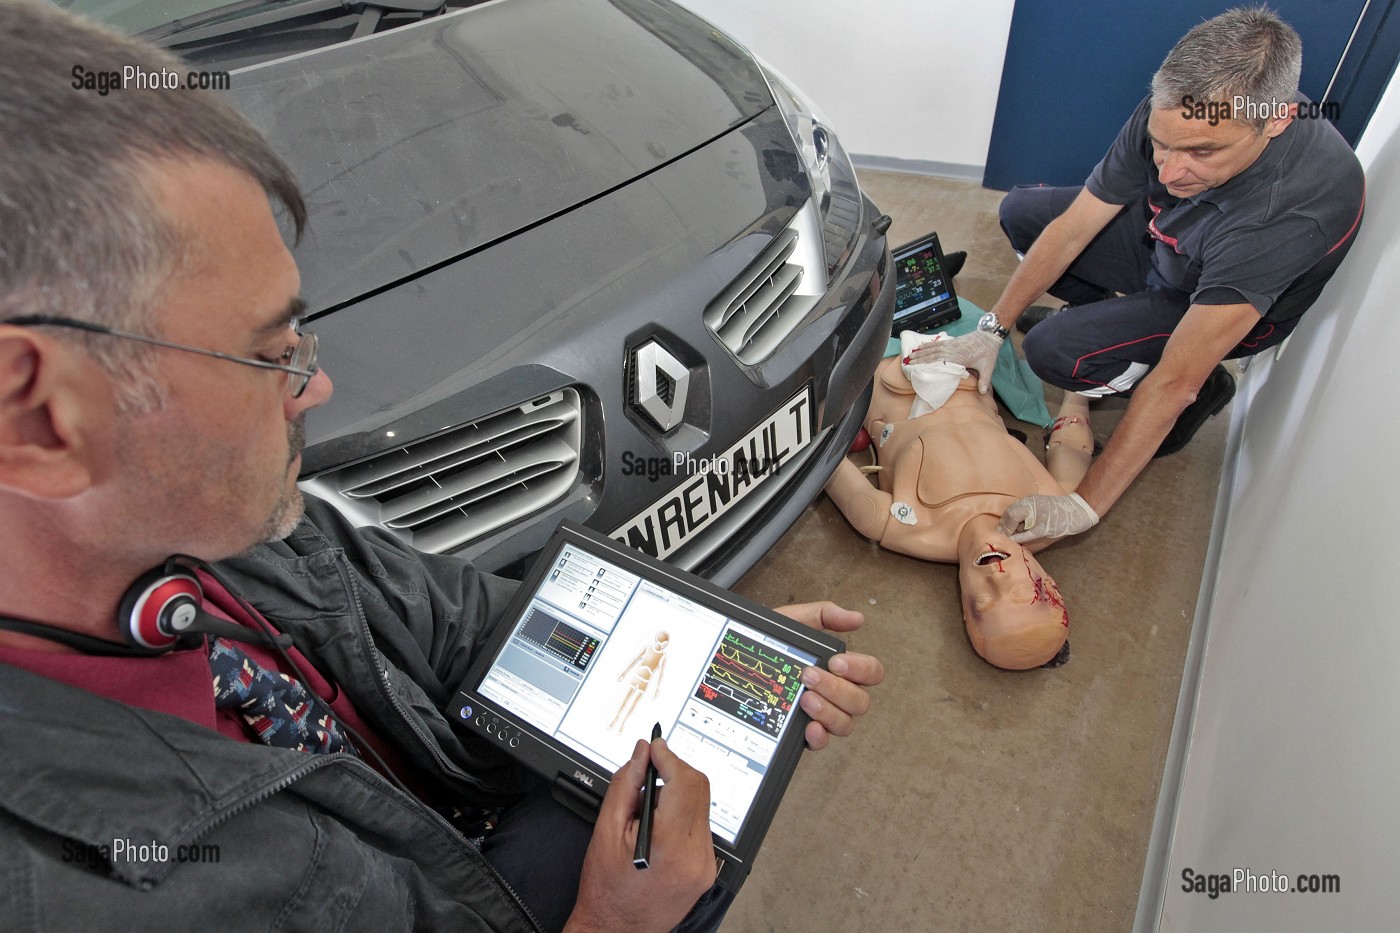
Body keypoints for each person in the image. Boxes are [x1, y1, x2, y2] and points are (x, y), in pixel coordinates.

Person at [0, 2, 884, 930]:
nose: (316, 385)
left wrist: (695, 659)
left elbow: (446, 614)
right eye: (268, 355)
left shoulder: (201, 524)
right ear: (41, 415)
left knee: (703, 807)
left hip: (442, 825)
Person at [918, 7, 1364, 551]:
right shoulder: (1186, 109)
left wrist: (1083, 506)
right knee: (1022, 213)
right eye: (1161, 144)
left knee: (1055, 353)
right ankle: (1109, 323)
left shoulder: (1288, 213)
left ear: (1274, 122)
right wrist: (990, 330)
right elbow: (1072, 230)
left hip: (1215, 302)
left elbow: (1176, 381)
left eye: (1203, 152)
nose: (1171, 170)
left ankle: (1178, 374)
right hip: (1172, 242)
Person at [825, 343, 1094, 670]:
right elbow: (1073, 440)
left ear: (966, 610)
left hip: (871, 357)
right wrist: (1081, 389)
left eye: (984, 602)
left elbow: (820, 459)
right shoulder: (1057, 513)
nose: (997, 576)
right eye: (1021, 590)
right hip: (968, 350)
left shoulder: (907, 527)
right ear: (1049, 583)